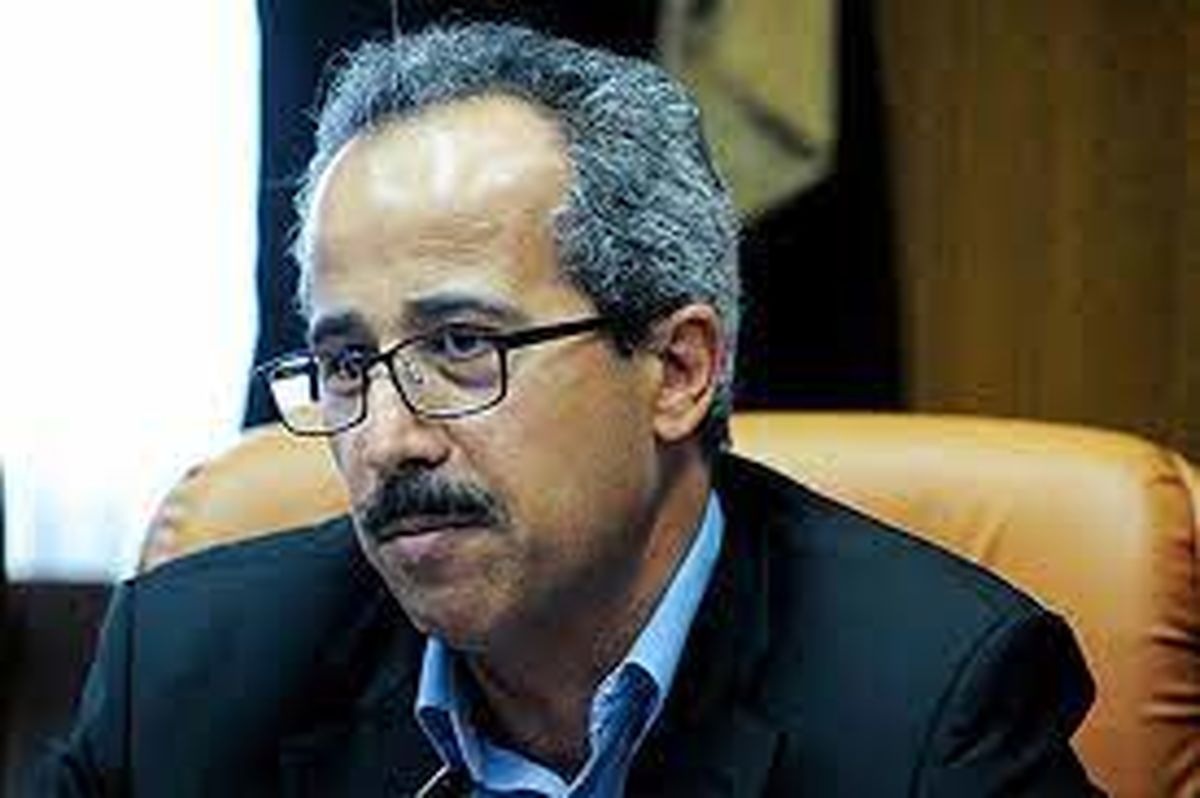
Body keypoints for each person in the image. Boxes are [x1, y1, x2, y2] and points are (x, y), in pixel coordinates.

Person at [42, 22, 1101, 796]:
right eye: (348, 363)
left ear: (678, 370)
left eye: (463, 346)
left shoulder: (931, 710)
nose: (387, 438)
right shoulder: (187, 676)